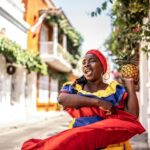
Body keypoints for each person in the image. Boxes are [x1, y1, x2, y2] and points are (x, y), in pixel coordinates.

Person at [22, 49, 145, 150]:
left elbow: (132, 117)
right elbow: (62, 99)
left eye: (91, 61)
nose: (86, 64)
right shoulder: (74, 87)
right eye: (84, 62)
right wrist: (99, 102)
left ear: (103, 68)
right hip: (79, 143)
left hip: (112, 146)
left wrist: (130, 84)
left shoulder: (115, 90)